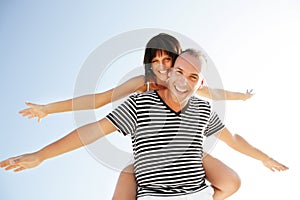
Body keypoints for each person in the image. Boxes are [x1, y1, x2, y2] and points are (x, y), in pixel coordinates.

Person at [0, 49, 288, 200]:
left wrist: (242, 99)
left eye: (190, 76)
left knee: (224, 175)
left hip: (191, 178)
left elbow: (228, 127)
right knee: (131, 171)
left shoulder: (197, 98)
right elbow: (97, 108)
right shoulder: (143, 90)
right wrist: (46, 126)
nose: (167, 71)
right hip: (150, 173)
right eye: (160, 64)